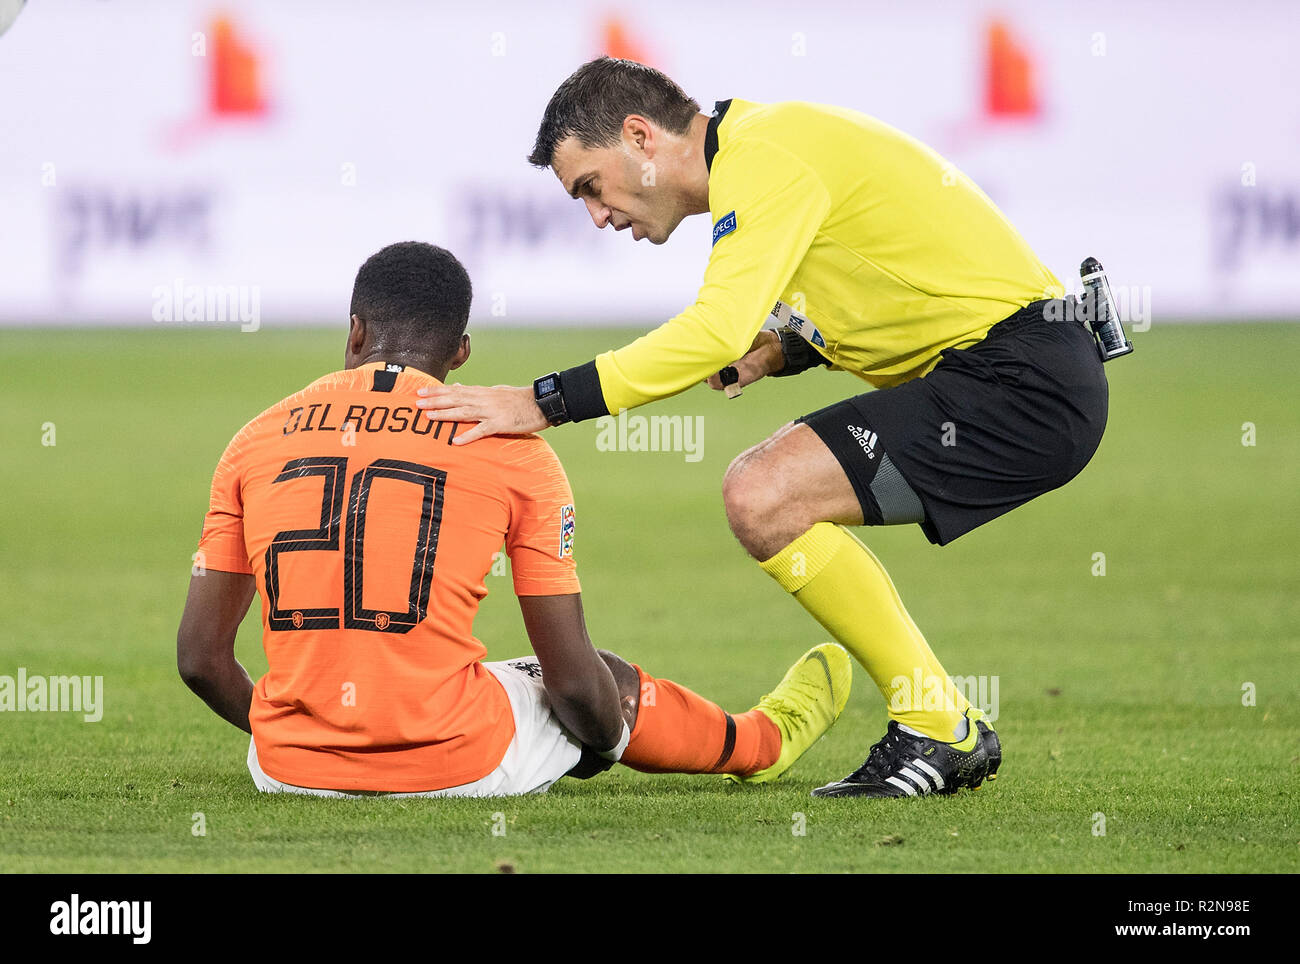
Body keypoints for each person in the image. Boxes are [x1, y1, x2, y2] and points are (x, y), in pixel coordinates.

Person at [415, 58, 1111, 799]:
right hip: (1016, 368)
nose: (596, 215)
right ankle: (941, 723)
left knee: (765, 492)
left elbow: (715, 328)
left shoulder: (763, 157)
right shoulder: (761, 149)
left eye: (590, 186)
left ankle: (938, 725)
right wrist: (784, 349)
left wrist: (541, 401)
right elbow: (889, 278)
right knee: (768, 496)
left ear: (640, 137)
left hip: (1022, 381)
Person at [176, 241, 850, 798]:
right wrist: (604, 739)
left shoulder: (255, 439)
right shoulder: (508, 448)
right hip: (458, 764)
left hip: (286, 771)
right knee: (601, 678)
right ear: (460, 352)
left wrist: (296, 735)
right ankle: (762, 742)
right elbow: (572, 681)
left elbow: (201, 660)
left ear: (354, 330)